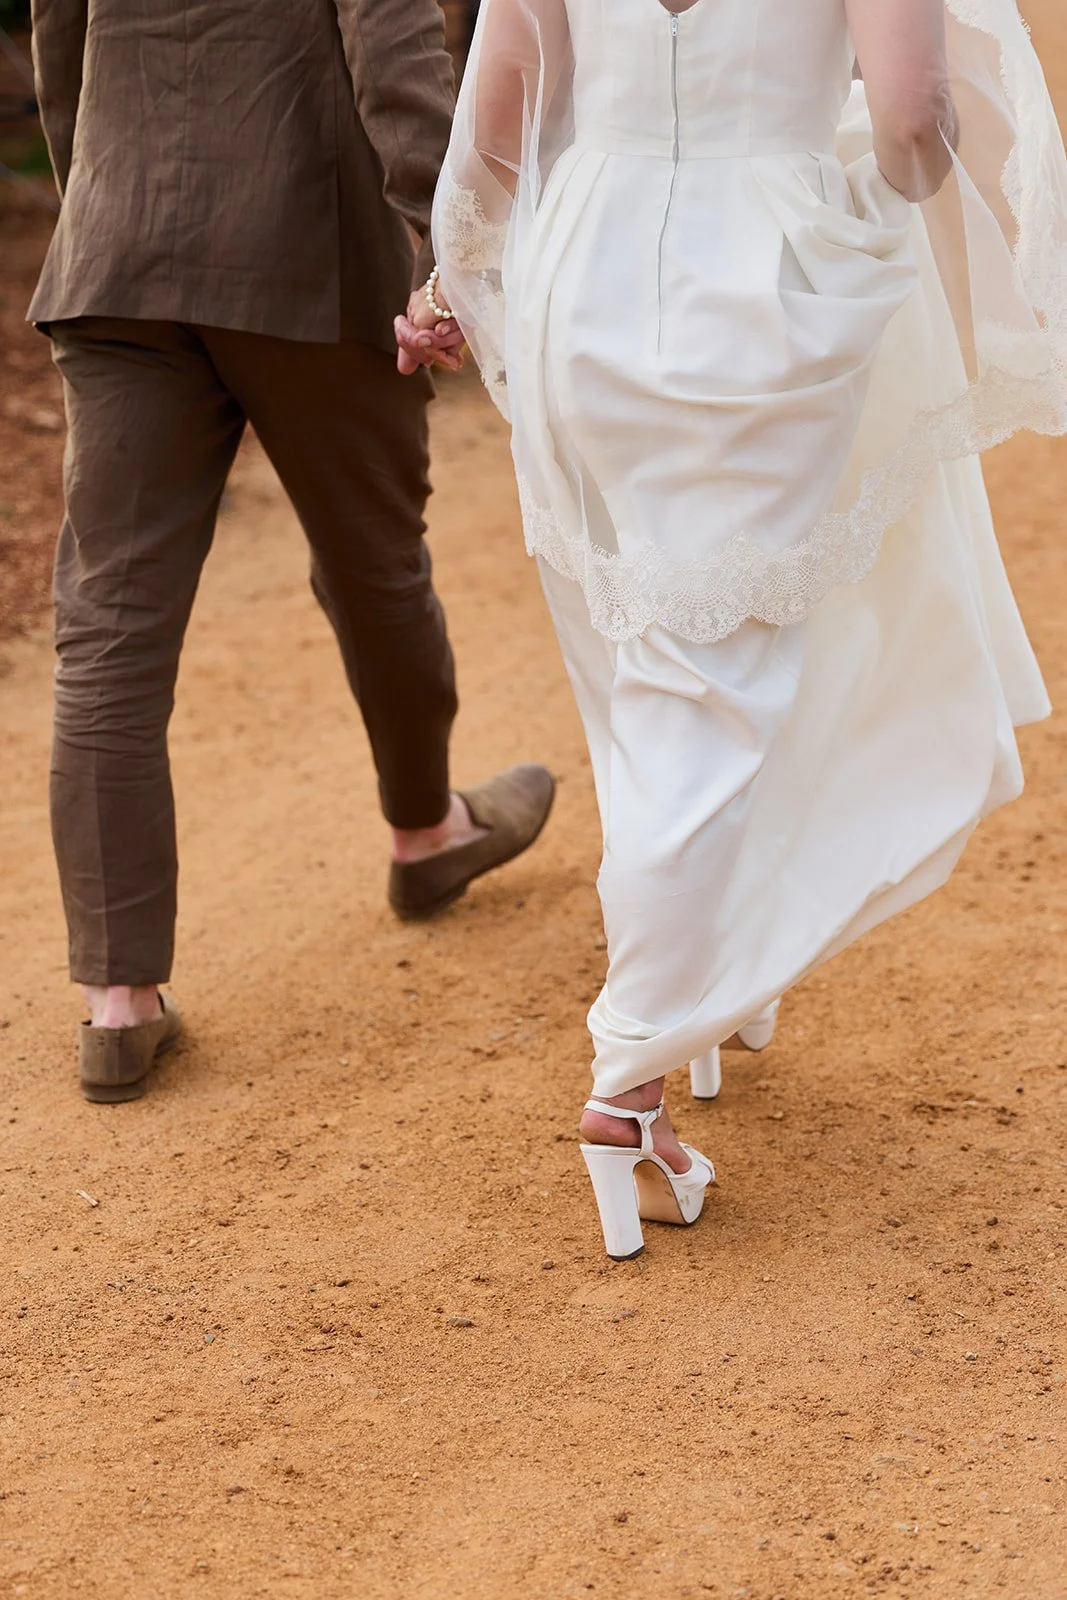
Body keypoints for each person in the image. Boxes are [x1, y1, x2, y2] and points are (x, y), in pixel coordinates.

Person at [424, 0, 1067, 1256]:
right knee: (715, 669)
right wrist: (863, 217)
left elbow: (495, 124)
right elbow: (910, 121)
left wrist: (460, 277)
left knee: (648, 650)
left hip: (588, 269)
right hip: (761, 281)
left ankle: (712, 978)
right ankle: (631, 1075)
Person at [28, 0, 555, 1105]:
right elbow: (395, 43)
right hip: (306, 253)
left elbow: (60, 38)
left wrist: (102, 195)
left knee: (109, 630)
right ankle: (423, 833)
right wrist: (441, 245)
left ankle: (119, 1000)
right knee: (374, 563)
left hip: (118, 250)